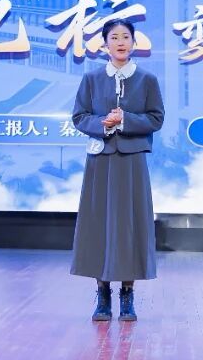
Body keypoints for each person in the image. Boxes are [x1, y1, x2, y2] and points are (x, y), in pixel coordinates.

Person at [69, 19, 163, 321]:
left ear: (133, 43)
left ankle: (127, 294)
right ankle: (103, 295)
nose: (120, 42)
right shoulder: (92, 78)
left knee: (130, 225)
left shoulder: (147, 79)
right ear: (105, 44)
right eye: (114, 37)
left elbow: (156, 119)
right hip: (101, 159)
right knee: (100, 224)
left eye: (125, 37)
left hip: (132, 161)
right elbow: (79, 116)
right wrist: (103, 124)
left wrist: (125, 120)